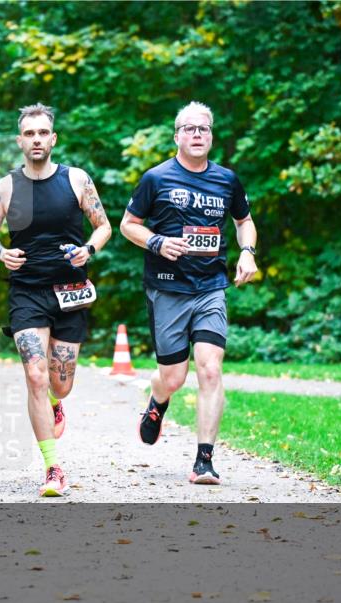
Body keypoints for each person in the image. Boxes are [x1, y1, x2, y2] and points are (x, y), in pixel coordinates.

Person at [119, 101, 258, 485]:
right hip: (167, 288)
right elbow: (128, 225)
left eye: (205, 129)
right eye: (190, 129)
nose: (198, 135)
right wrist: (157, 242)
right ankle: (157, 400)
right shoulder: (156, 178)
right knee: (174, 377)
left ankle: (204, 460)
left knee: (210, 368)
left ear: (211, 136)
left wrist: (247, 252)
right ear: (177, 136)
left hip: (211, 287)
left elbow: (244, 222)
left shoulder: (226, 180)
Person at [0, 103, 112, 497]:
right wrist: (1, 253)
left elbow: (104, 226)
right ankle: (52, 467)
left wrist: (88, 249)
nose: (36, 139)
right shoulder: (4, 188)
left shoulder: (76, 180)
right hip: (27, 292)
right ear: (20, 141)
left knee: (60, 383)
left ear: (52, 139)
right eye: (29, 133)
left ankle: (57, 401)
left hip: (69, 291)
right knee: (35, 375)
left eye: (43, 133)